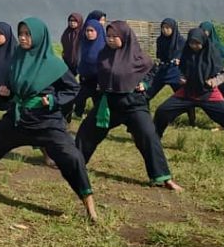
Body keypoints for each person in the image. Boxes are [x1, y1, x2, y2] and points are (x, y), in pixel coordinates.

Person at [0, 18, 97, 221]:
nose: (23, 37)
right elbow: (14, 88)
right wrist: (6, 91)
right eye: (21, 33)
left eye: (28, 34)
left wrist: (54, 100)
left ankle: (89, 203)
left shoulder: (55, 65)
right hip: (19, 119)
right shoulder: (17, 59)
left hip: (47, 122)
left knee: (72, 158)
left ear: (39, 37)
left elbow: (72, 89)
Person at [75, 21, 183, 191]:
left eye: (114, 36)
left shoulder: (140, 58)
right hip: (109, 103)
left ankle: (162, 177)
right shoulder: (104, 54)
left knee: (149, 136)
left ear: (125, 37)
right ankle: (74, 165)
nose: (110, 40)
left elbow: (152, 72)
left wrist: (145, 85)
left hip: (133, 104)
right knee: (87, 131)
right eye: (108, 36)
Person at [152, 27, 224, 159]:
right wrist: (183, 77)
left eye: (197, 43)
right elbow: (182, 69)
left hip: (208, 93)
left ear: (203, 42)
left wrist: (214, 81)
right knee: (162, 110)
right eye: (191, 43)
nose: (194, 46)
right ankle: (155, 140)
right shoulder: (187, 52)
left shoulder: (211, 53)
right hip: (188, 92)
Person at [70, 18, 106, 120]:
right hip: (85, 77)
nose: (89, 33)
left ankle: (98, 117)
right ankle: (78, 113)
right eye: (87, 31)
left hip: (99, 79)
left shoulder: (104, 47)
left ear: (97, 31)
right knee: (80, 97)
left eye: (92, 31)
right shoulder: (84, 44)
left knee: (98, 100)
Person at [199, 21, 224, 102]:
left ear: (210, 32)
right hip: (204, 73)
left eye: (206, 31)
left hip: (217, 72)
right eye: (202, 31)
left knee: (223, 89)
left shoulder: (215, 44)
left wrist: (218, 64)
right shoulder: (199, 43)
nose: (204, 33)